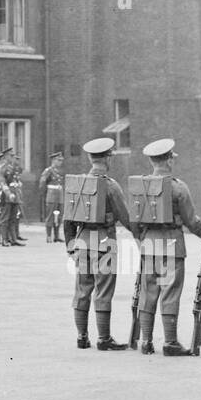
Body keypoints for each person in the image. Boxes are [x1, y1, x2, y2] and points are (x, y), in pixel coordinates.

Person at [131, 138, 201, 357]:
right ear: (168, 161)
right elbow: (191, 220)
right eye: (172, 158)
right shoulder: (178, 187)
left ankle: (146, 342)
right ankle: (170, 343)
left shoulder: (141, 186)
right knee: (169, 292)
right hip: (171, 246)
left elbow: (134, 220)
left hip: (148, 246)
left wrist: (142, 239)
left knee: (148, 292)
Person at [62, 137, 131, 350]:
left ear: (91, 159)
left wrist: (70, 246)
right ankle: (104, 339)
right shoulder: (111, 186)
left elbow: (67, 219)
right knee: (104, 290)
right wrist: (141, 236)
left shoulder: (78, 183)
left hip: (81, 243)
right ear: (108, 158)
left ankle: (82, 337)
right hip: (104, 243)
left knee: (82, 289)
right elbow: (126, 218)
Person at [39, 151, 65, 242]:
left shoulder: (59, 171)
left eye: (61, 160)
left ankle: (56, 236)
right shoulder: (48, 171)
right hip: (51, 196)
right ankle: (49, 236)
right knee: (50, 216)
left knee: (59, 216)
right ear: (53, 160)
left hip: (59, 196)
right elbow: (42, 183)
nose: (60, 162)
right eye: (59, 160)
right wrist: (45, 194)